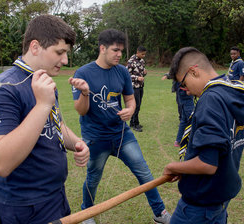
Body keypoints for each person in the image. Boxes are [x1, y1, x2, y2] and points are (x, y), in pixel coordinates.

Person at [0, 15, 90, 224]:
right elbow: (0, 163)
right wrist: (42, 105)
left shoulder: (42, 80)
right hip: (22, 208)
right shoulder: (3, 89)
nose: (65, 60)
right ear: (35, 46)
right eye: (60, 52)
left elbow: (53, 125)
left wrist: (76, 142)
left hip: (54, 197)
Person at [69, 29, 171, 224]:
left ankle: (160, 213)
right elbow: (81, 111)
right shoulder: (83, 73)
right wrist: (84, 93)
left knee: (144, 173)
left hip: (122, 134)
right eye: (115, 50)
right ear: (102, 48)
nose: (119, 55)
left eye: (121, 51)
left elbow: (130, 100)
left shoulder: (122, 71)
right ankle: (86, 214)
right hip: (96, 137)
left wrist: (130, 110)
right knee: (93, 178)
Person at [163, 47, 244, 223]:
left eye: (183, 84)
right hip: (221, 197)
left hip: (199, 206)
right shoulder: (232, 92)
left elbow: (208, 164)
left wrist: (173, 167)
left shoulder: (210, 100)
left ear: (193, 71)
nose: (185, 90)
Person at [126, 46, 147, 132]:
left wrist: (144, 73)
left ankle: (133, 122)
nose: (144, 56)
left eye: (145, 54)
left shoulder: (142, 61)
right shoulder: (131, 61)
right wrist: (137, 78)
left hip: (141, 86)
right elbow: (127, 75)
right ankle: (135, 124)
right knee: (136, 105)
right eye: (142, 54)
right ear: (137, 52)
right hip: (134, 87)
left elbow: (141, 73)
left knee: (138, 105)